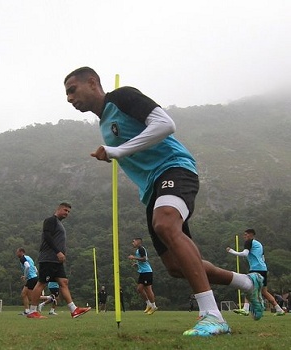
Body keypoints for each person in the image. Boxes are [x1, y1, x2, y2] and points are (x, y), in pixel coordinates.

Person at [64, 66, 264, 336]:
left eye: (72, 90)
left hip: (175, 168)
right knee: (175, 267)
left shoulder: (122, 97)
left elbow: (165, 124)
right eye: (66, 94)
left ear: (92, 82)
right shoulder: (103, 123)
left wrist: (118, 150)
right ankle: (248, 282)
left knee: (165, 224)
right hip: (152, 189)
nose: (69, 98)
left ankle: (212, 315)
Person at [26, 202, 91, 319]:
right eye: (65, 210)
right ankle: (32, 311)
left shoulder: (59, 224)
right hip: (48, 258)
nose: (67, 213)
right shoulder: (51, 220)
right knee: (42, 283)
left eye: (69, 212)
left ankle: (74, 310)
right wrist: (58, 252)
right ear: (59, 209)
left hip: (57, 260)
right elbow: (47, 237)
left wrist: (62, 255)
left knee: (64, 282)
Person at [226, 228, 285, 316]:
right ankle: (279, 309)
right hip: (263, 269)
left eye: (246, 235)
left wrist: (231, 251)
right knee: (264, 292)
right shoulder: (259, 244)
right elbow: (263, 258)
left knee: (249, 287)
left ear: (251, 235)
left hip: (256, 269)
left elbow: (245, 254)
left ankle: (245, 309)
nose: (244, 236)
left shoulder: (249, 242)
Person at [128, 238, 157, 314]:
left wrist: (134, 257)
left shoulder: (141, 249)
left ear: (138, 242)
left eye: (133, 242)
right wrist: (137, 264)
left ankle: (154, 306)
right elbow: (142, 260)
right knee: (139, 289)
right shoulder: (138, 250)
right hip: (142, 272)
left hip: (147, 272)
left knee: (148, 289)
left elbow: (144, 259)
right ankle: (148, 304)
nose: (132, 243)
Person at [15, 248, 38, 315]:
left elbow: (27, 266)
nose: (16, 254)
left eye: (17, 252)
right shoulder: (29, 258)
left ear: (21, 252)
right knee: (24, 294)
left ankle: (33, 311)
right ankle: (27, 311)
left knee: (30, 296)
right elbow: (35, 268)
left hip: (31, 278)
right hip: (34, 277)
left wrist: (25, 276)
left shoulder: (22, 258)